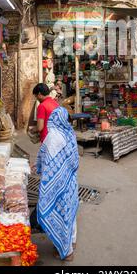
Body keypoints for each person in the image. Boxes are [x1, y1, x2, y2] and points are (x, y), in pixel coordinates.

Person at [36, 106, 79, 261]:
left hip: (58, 186)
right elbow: (74, 161)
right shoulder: (70, 133)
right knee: (70, 213)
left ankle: (67, 252)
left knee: (61, 215)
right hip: (70, 182)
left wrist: (39, 169)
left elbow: (45, 160)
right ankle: (72, 242)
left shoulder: (53, 137)